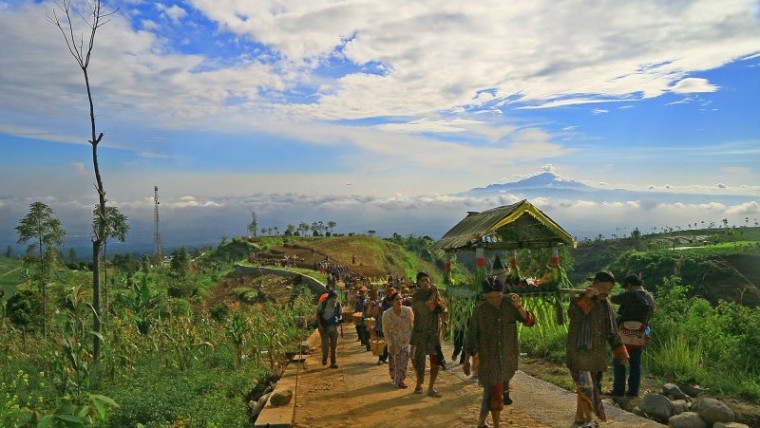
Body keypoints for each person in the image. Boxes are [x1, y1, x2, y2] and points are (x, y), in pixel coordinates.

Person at [463, 277, 536, 428]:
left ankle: (481, 422)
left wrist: (518, 306)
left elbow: (529, 321)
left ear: (503, 293)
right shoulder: (480, 310)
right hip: (489, 359)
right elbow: (472, 335)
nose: (494, 300)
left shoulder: (510, 306)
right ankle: (495, 425)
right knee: (496, 392)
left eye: (497, 296)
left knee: (491, 391)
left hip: (507, 358)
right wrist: (466, 358)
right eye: (490, 297)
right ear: (485, 296)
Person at [566, 271, 629, 427]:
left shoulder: (605, 304)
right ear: (594, 284)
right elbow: (574, 315)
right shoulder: (578, 299)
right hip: (579, 353)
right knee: (586, 387)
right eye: (602, 287)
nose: (605, 292)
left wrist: (620, 350)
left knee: (589, 387)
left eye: (609, 289)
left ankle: (580, 419)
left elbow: (611, 330)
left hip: (596, 355)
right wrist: (588, 298)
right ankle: (588, 420)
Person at [610, 273, 656, 397]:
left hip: (625, 332)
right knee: (636, 364)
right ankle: (633, 392)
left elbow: (613, 299)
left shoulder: (630, 294)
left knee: (619, 360)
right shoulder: (650, 297)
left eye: (626, 287)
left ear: (629, 285)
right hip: (642, 332)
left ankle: (618, 391)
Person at [410, 271, 446, 397]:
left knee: (435, 361)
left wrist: (437, 296)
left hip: (433, 334)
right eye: (422, 281)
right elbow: (427, 308)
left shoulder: (435, 294)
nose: (425, 283)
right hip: (420, 333)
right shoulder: (416, 297)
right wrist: (435, 294)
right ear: (418, 283)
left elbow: (442, 308)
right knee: (418, 360)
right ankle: (419, 383)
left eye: (427, 280)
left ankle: (431, 387)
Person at [382, 291, 415, 388]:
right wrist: (390, 344)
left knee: (403, 362)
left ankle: (400, 380)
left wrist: (413, 338)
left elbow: (412, 325)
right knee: (394, 362)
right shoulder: (387, 314)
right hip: (393, 341)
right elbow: (386, 330)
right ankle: (394, 377)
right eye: (396, 299)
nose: (399, 301)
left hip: (405, 341)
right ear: (392, 301)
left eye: (400, 299)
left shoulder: (407, 310)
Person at [316, 289, 342, 369]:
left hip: (334, 329)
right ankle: (324, 359)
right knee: (325, 346)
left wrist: (339, 320)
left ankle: (333, 362)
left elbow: (340, 314)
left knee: (334, 346)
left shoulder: (338, 305)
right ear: (329, 298)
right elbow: (317, 315)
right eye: (333, 298)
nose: (334, 300)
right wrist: (320, 326)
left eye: (335, 298)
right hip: (324, 329)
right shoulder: (323, 304)